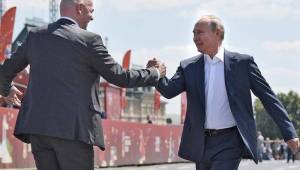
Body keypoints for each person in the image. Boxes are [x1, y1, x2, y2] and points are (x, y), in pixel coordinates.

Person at [0, 0, 165, 169]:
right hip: (74, 131)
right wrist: (154, 72)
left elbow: (5, 71)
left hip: (38, 130)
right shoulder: (89, 40)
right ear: (79, 9)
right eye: (91, 11)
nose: (92, 17)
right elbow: (120, 77)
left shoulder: (35, 36)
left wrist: (7, 89)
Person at [149, 15, 299, 170]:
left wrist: (289, 133)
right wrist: (155, 74)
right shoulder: (188, 67)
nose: (195, 38)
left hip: (230, 141)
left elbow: (268, 98)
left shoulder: (242, 64)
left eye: (200, 32)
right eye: (193, 33)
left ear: (218, 33)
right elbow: (168, 90)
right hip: (200, 142)